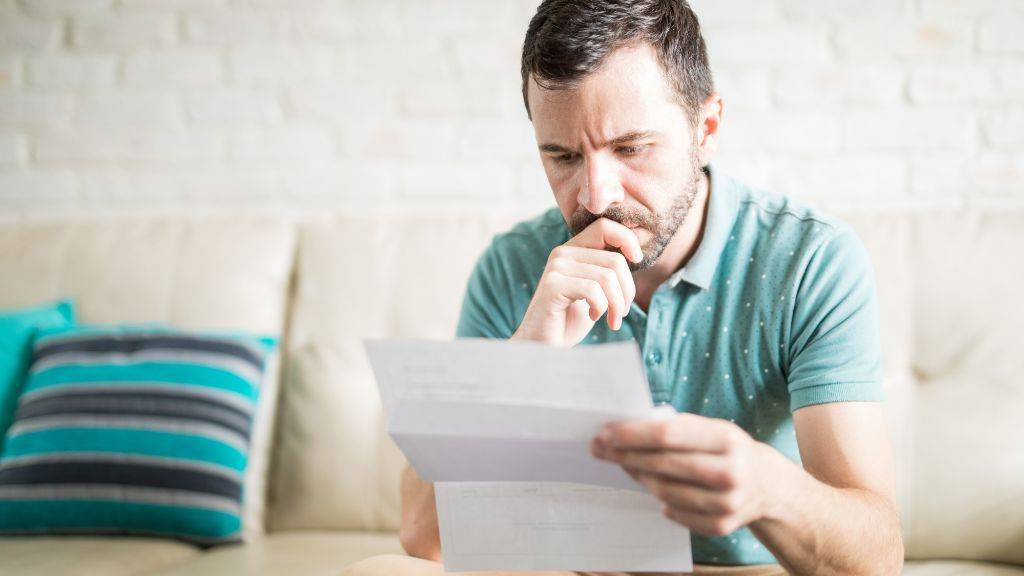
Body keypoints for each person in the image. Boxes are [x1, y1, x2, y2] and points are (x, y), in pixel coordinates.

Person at [347, 1, 903, 574]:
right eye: (562, 156)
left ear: (705, 129)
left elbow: (875, 557)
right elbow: (424, 537)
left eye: (631, 148)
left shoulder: (809, 261)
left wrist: (766, 488)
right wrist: (525, 359)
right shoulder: (512, 266)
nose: (594, 196)